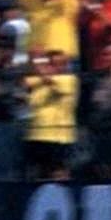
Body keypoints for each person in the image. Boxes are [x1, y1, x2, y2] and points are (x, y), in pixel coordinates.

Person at [24, 48, 77, 179]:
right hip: (36, 135)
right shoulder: (39, 82)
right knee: (39, 174)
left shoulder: (69, 80)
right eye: (53, 64)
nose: (57, 67)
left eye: (61, 64)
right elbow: (26, 83)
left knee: (59, 173)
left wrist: (37, 60)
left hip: (58, 135)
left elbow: (45, 77)